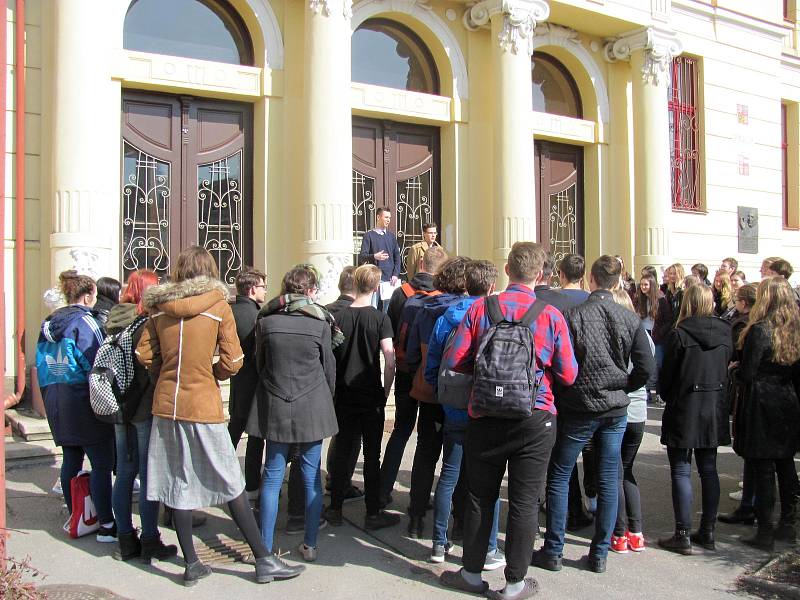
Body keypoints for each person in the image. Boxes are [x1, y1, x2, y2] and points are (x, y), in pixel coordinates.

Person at [136, 246, 282, 586]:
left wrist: (166, 371)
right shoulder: (219, 306)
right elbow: (233, 360)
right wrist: (210, 372)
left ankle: (191, 564)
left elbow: (144, 353)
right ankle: (263, 559)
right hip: (202, 403)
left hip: (167, 405)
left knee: (178, 482)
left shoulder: (158, 309)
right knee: (231, 480)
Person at [440, 241, 578, 600]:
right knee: (524, 501)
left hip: (485, 413)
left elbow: (455, 359)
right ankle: (515, 583)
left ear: (507, 270)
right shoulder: (550, 316)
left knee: (478, 497)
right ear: (541, 275)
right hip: (535, 416)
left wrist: (486, 373)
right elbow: (568, 374)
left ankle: (471, 574)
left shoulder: (481, 310)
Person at [536, 255, 653, 575]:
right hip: (611, 406)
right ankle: (598, 552)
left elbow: (559, 361)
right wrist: (625, 386)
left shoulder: (575, 315)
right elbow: (645, 366)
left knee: (560, 474)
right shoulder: (629, 318)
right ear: (615, 283)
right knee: (607, 474)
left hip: (581, 405)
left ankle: (555, 549)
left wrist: (569, 389)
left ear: (592, 280)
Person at [255, 265, 339, 566]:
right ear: (310, 291)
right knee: (310, 477)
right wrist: (323, 400)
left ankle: (264, 548)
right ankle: (311, 544)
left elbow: (259, 364)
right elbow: (329, 371)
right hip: (311, 404)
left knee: (273, 477)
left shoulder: (266, 322)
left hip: (276, 403)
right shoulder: (320, 324)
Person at [425, 260, 505, 568]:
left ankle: (438, 543)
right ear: (490, 287)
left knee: (449, 474)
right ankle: (488, 548)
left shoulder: (448, 315)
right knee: (487, 481)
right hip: (486, 404)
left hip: (454, 402)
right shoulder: (494, 315)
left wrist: (438, 389)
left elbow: (434, 358)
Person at [36, 270, 116, 544]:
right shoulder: (85, 323)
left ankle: (76, 516)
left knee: (71, 458)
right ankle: (106, 523)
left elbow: (42, 365)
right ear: (87, 295)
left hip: (56, 397)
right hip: (84, 400)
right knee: (102, 463)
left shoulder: (49, 323)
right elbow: (99, 361)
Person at [656, 284, 732, 555]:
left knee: (681, 469)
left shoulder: (680, 334)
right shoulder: (725, 332)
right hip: (712, 405)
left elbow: (666, 377)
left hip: (685, 405)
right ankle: (707, 531)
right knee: (708, 468)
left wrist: (667, 394)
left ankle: (683, 533)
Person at [108, 269, 178, 563]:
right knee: (150, 474)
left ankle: (125, 539)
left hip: (118, 404)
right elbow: (152, 365)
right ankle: (149, 539)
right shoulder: (146, 324)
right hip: (143, 407)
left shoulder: (114, 320)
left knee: (124, 473)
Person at [323, 264, 399, 530]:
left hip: (344, 394)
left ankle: (335, 507)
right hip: (370, 395)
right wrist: (386, 389)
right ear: (377, 287)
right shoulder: (380, 319)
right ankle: (372, 512)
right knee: (372, 454)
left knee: (342, 451)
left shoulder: (339, 317)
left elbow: (330, 357)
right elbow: (390, 360)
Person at [404, 256, 471, 538]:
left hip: (430, 390)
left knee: (426, 453)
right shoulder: (472, 311)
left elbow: (410, 354)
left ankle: (417, 516)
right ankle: (459, 521)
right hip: (461, 392)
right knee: (459, 459)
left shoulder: (423, 309)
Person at [733, 276, 800, 550]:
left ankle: (765, 531)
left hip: (761, 401)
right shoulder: (795, 329)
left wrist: (735, 371)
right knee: (785, 465)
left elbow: (747, 373)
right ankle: (788, 524)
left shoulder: (760, 330)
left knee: (763, 467)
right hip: (788, 399)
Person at [379, 247, 448, 507]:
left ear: (420, 263)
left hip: (406, 372)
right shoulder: (444, 298)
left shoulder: (401, 293)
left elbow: (392, 330)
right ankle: (419, 497)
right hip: (430, 376)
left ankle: (383, 490)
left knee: (400, 431)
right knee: (428, 438)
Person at [609, 289, 653, 554]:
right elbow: (648, 368)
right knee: (627, 470)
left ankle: (619, 531)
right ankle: (635, 531)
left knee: (614, 472)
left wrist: (624, 387)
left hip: (620, 408)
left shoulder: (616, 332)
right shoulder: (643, 334)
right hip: (638, 411)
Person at [321, 265, 364, 505]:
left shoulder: (325, 311)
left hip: (328, 382)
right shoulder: (359, 312)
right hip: (351, 382)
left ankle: (333, 477)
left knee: (338, 436)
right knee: (350, 436)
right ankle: (341, 481)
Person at [719, 283, 758, 525]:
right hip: (765, 397)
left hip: (755, 398)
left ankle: (752, 507)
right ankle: (751, 503)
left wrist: (734, 371)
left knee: (754, 452)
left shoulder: (750, 327)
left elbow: (747, 369)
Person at [358, 206, 401, 311]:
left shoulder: (391, 237)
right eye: (386, 217)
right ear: (378, 217)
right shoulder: (369, 236)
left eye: (389, 217)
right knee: (372, 308)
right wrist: (374, 256)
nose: (388, 220)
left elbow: (397, 258)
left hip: (390, 281)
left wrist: (395, 274)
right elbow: (362, 257)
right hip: (374, 279)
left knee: (387, 310)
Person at [652, 263, 686, 370]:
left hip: (678, 328)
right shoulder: (669, 292)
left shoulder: (682, 292)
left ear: (680, 274)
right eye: (670, 273)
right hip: (670, 329)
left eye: (674, 273)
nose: (672, 276)